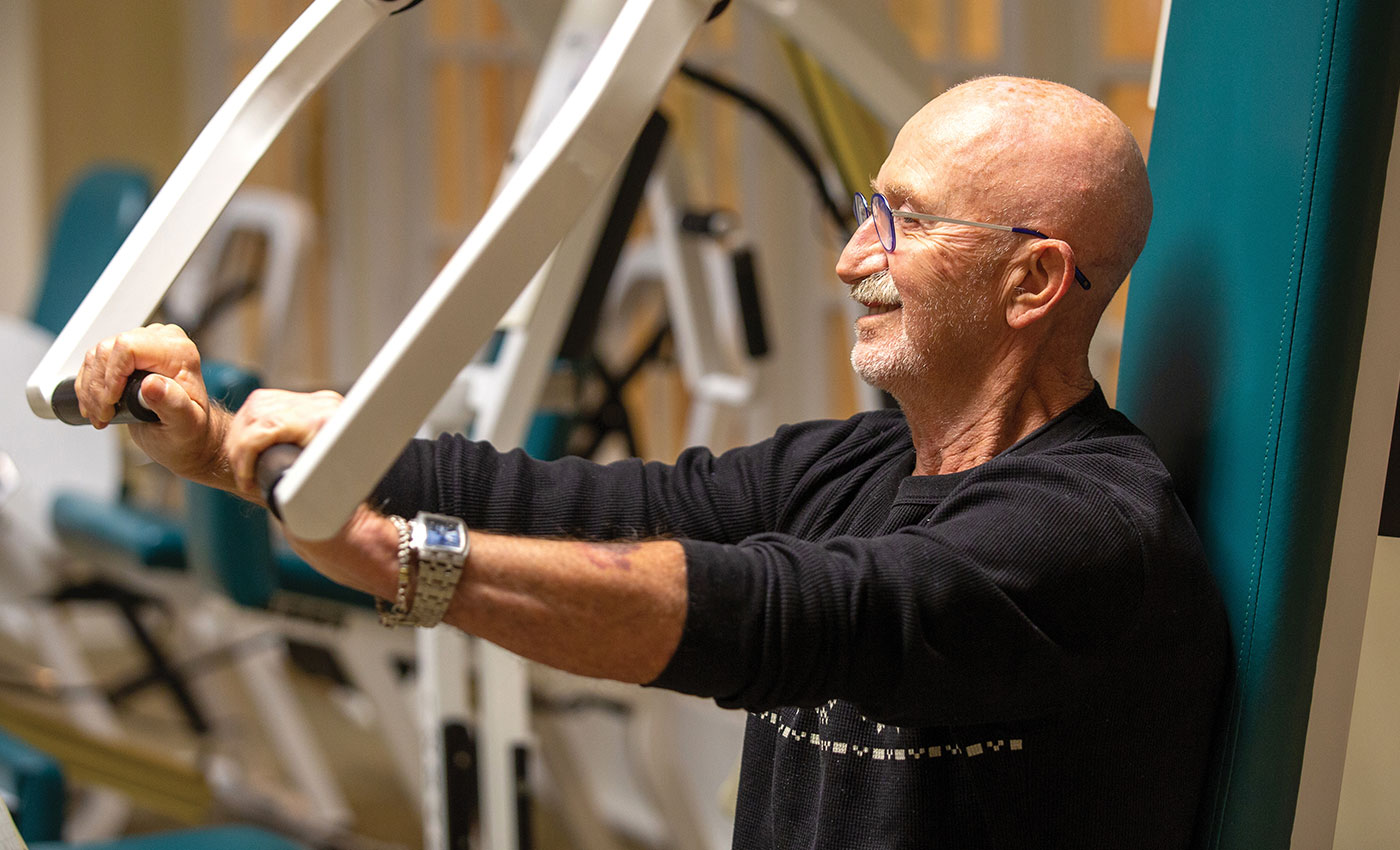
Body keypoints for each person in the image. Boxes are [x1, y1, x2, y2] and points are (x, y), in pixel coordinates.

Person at [75, 76, 1227, 848]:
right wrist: (238, 442)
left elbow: (772, 613)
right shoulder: (856, 464)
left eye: (904, 223)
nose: (848, 260)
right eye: (865, 210)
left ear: (1032, 283)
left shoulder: (1088, 532)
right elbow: (587, 503)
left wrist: (403, 562)